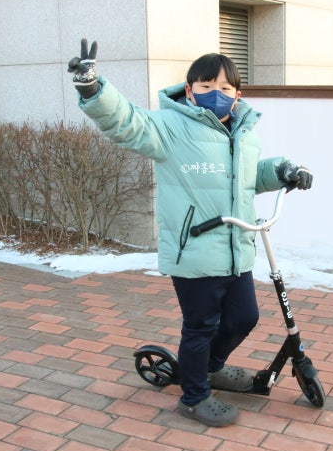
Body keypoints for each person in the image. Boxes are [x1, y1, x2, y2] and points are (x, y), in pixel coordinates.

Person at [67, 39, 313, 427]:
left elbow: (248, 177)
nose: (217, 93)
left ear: (238, 94)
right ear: (189, 90)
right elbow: (126, 122)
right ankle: (194, 397)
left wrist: (284, 171)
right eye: (207, 85)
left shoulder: (243, 131)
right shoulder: (171, 127)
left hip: (236, 247)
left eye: (225, 87)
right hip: (194, 248)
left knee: (244, 317)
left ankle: (210, 368)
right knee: (201, 327)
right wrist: (92, 89)